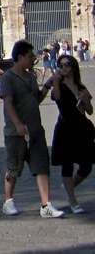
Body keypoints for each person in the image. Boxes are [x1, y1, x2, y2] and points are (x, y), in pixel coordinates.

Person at [0, 40, 64, 217]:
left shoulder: (30, 77)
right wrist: (18, 124)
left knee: (41, 166)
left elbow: (36, 99)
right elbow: (8, 104)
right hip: (16, 132)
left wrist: (48, 86)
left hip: (35, 129)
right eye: (30, 56)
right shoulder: (8, 78)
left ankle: (45, 204)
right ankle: (8, 200)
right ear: (20, 57)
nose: (33, 59)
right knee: (13, 167)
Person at [48, 54, 95, 213]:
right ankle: (73, 202)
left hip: (82, 129)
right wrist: (55, 81)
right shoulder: (59, 85)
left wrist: (86, 100)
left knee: (87, 166)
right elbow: (57, 97)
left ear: (73, 66)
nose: (64, 67)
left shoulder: (81, 86)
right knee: (67, 165)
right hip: (65, 129)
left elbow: (89, 111)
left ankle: (69, 187)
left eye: (67, 64)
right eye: (61, 65)